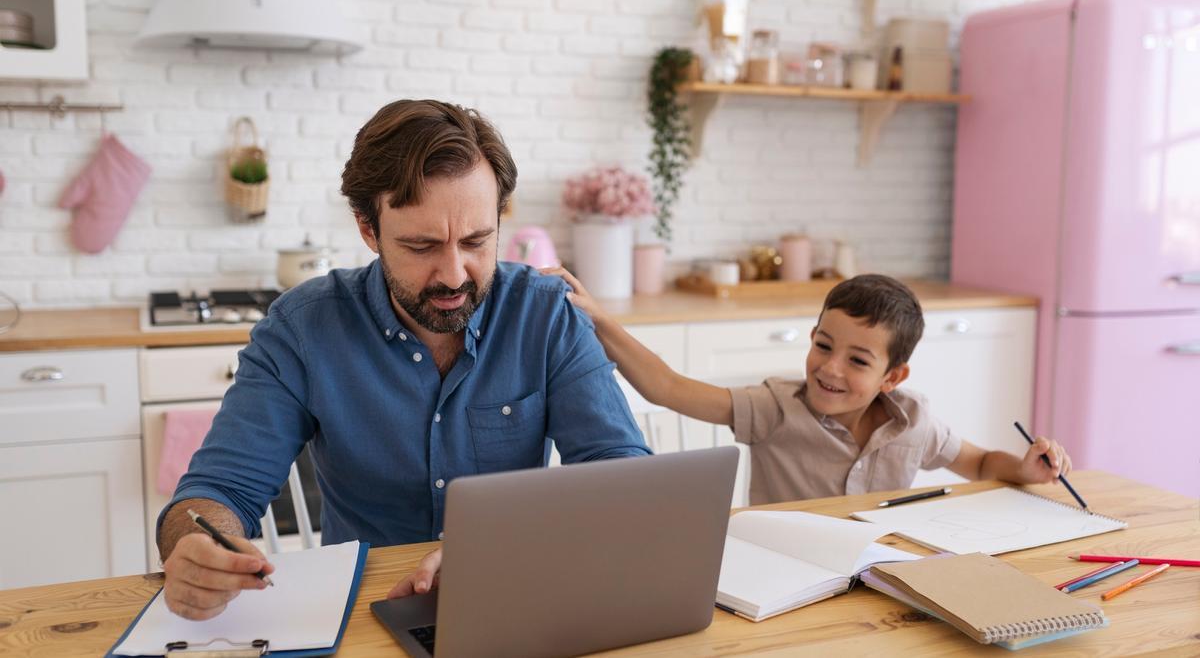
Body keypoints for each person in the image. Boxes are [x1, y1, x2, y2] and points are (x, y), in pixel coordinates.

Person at [156, 100, 650, 621]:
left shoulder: (545, 314)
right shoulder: (301, 329)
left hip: (514, 598)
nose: (455, 275)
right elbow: (217, 492)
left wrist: (504, 549)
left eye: (476, 241)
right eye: (421, 246)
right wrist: (196, 546)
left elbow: (621, 475)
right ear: (368, 230)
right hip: (360, 613)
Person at [542, 268, 1073, 506]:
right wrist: (600, 319)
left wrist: (1023, 468)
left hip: (881, 579)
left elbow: (979, 465)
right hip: (788, 578)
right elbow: (668, 388)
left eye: (857, 360)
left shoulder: (914, 421)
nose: (830, 369)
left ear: (893, 377)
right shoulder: (776, 408)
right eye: (823, 344)